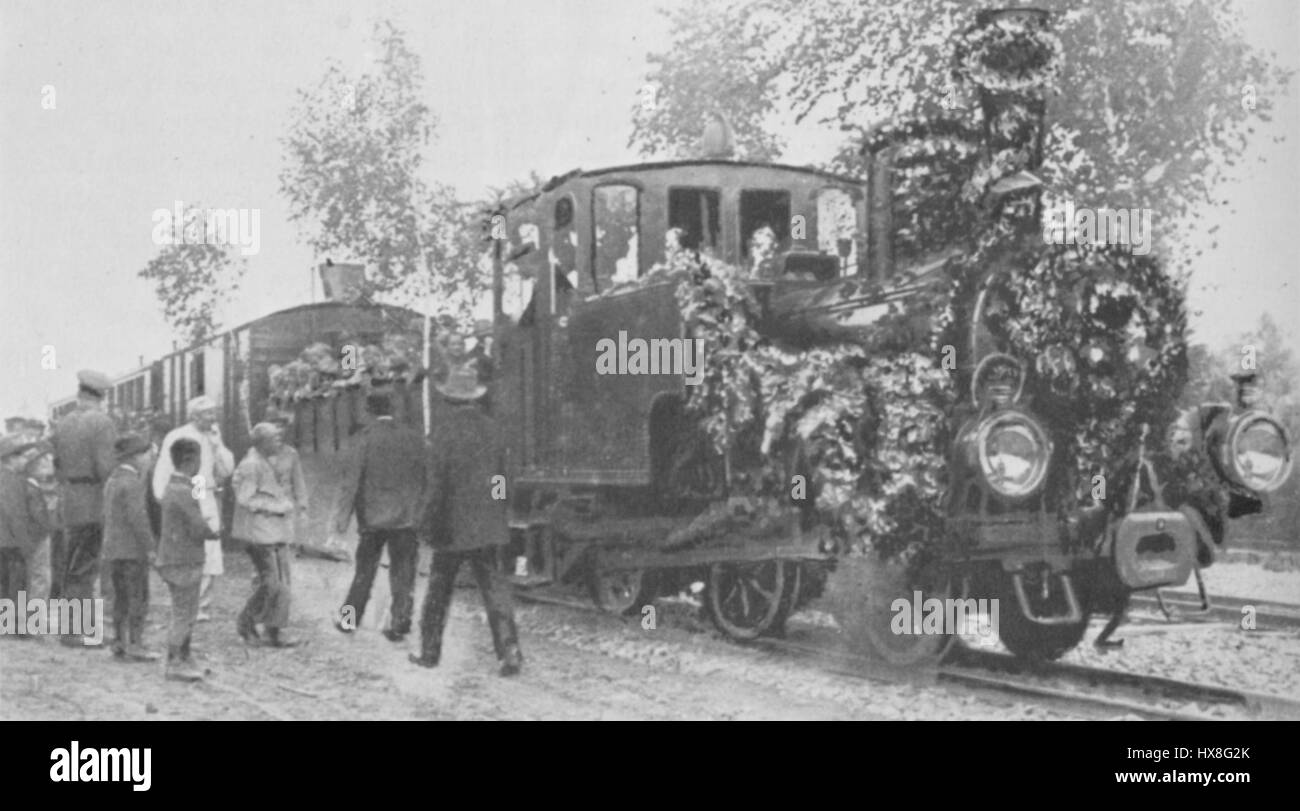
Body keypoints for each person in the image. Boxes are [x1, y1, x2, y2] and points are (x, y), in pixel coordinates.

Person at [411, 364, 522, 677]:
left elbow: (436, 487)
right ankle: (510, 653)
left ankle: (429, 653)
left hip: (451, 529)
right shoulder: (494, 430)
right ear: (475, 398)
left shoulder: (442, 434)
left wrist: (426, 524)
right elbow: (503, 479)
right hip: (488, 525)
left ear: (449, 401)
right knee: (495, 591)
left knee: (437, 594)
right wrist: (497, 510)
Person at [334, 392, 428, 642]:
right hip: (406, 518)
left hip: (372, 519)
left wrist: (343, 517)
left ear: (367, 411)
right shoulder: (413, 437)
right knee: (404, 572)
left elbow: (351, 481)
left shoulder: (363, 439)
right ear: (392, 408)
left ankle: (348, 619)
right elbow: (426, 475)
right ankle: (400, 622)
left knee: (364, 572)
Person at [51, 369, 118, 647]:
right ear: (100, 396)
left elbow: (56, 463)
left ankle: (71, 628)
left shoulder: (63, 423)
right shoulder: (102, 422)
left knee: (70, 566)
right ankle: (77, 632)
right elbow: (106, 467)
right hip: (92, 499)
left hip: (69, 498)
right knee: (85, 567)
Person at [152, 396, 233, 622]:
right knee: (187, 547)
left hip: (206, 492)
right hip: (185, 492)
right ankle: (185, 601)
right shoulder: (177, 436)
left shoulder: (213, 437)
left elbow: (227, 470)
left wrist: (217, 445)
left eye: (214, 412)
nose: (213, 417)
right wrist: (163, 499)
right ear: (194, 416)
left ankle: (202, 604)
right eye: (208, 413)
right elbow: (164, 469)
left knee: (210, 550)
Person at [232, 423, 302, 648]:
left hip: (274, 532)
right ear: (261, 443)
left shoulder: (265, 461)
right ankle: (246, 621)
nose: (279, 443)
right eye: (274, 439)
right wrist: (277, 506)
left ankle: (275, 630)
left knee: (282, 584)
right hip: (259, 534)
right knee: (271, 584)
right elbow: (245, 499)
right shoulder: (252, 465)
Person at [157, 438, 217, 682]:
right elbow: (197, 522)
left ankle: (184, 656)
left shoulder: (177, 486)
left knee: (187, 610)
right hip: (183, 559)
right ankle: (174, 662)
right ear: (190, 460)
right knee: (184, 612)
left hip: (177, 557)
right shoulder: (182, 491)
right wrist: (212, 532)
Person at [101, 434, 159, 661]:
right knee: (138, 597)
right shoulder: (133, 482)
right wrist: (150, 547)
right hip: (133, 550)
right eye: (147, 454)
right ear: (136, 456)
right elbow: (138, 518)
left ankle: (119, 641)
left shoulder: (113, 480)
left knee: (121, 598)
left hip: (114, 549)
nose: (149, 459)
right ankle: (135, 644)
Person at [0, 435, 42, 637]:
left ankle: (5, 625)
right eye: (20, 456)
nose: (24, 460)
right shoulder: (13, 481)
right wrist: (26, 543)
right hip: (13, 540)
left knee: (5, 584)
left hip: (3, 540)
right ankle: (20, 627)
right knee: (19, 585)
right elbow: (15, 513)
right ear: (10, 458)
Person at [22, 443, 59, 605]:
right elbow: (38, 516)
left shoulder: (27, 485)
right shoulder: (31, 488)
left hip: (30, 536)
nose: (48, 464)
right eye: (43, 462)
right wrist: (50, 526)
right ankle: (35, 619)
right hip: (38, 537)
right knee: (40, 576)